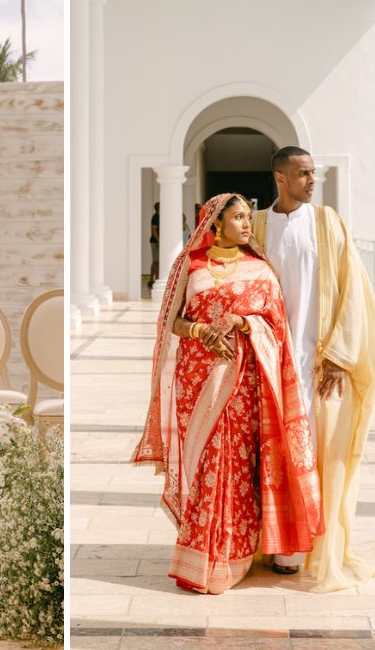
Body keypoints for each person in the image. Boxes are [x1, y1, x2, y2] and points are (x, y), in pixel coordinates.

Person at [134, 192, 323, 594]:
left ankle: (227, 558)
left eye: (248, 217)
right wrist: (201, 330)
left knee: (234, 464)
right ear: (215, 224)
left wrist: (240, 321)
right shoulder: (191, 265)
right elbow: (171, 322)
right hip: (196, 379)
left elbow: (276, 326)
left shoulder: (261, 270)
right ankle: (202, 553)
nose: (246, 224)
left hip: (242, 383)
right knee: (204, 463)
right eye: (237, 217)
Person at [252, 148, 375, 591]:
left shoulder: (328, 223)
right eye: (303, 173)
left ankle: (314, 547)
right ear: (280, 177)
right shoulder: (256, 227)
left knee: (318, 454)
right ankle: (279, 549)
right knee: (274, 454)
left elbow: (353, 291)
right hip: (269, 360)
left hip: (318, 362)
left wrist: (341, 356)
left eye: (314, 172)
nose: (312, 180)